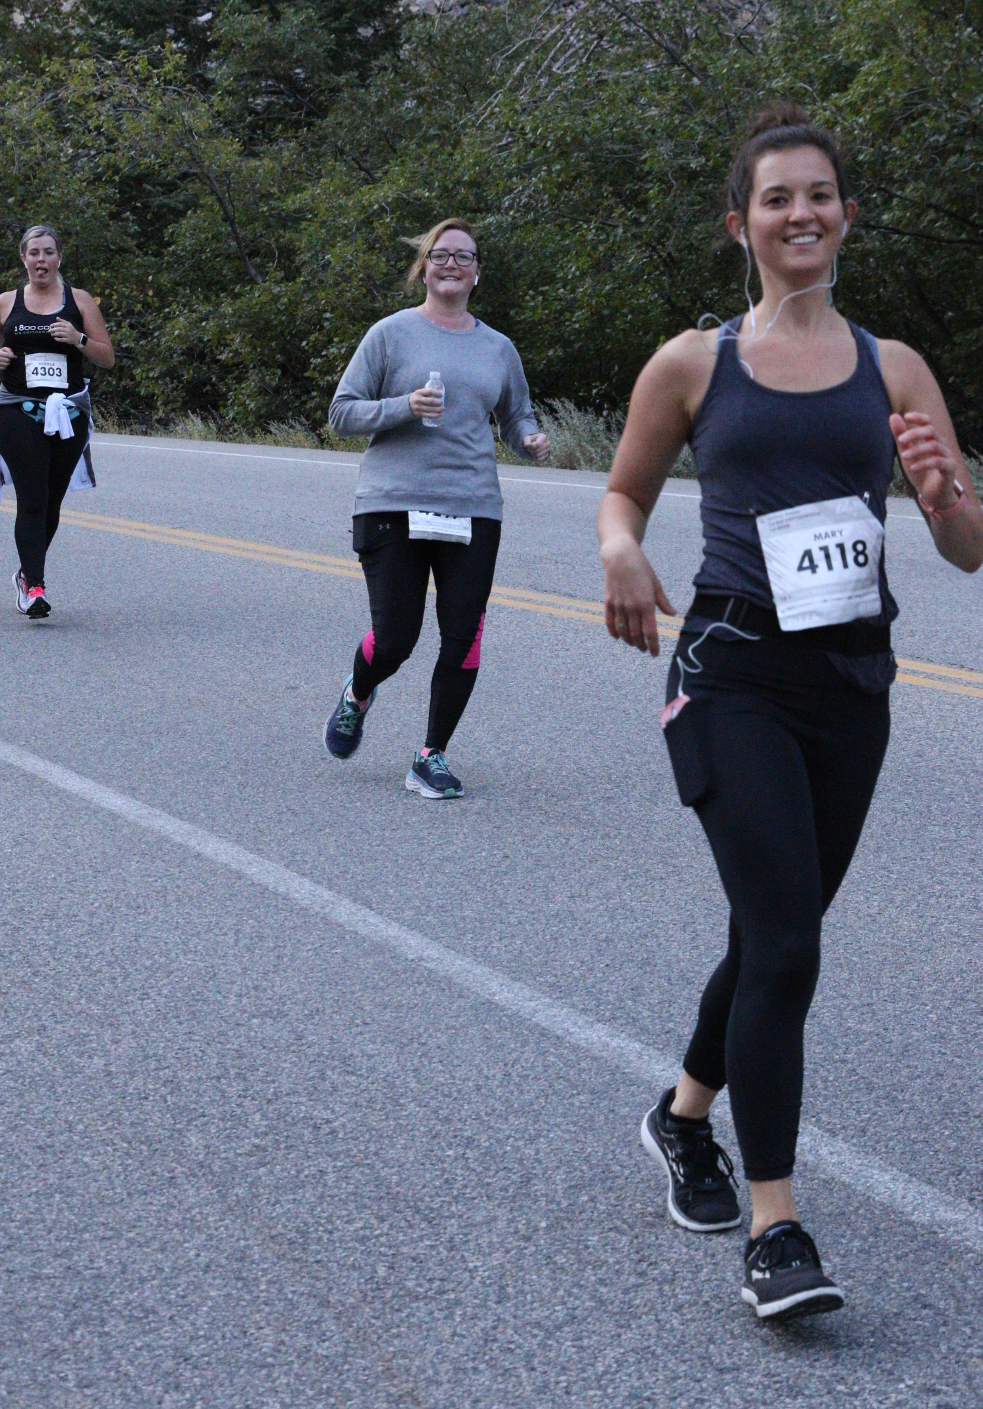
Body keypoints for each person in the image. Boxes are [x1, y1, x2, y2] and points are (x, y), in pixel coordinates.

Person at [597, 104, 983, 1321]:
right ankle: (774, 1227)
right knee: (786, 944)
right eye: (776, 198)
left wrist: (941, 497)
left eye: (818, 195)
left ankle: (681, 1116)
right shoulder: (691, 363)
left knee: (777, 930)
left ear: (844, 216)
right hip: (731, 674)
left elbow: (966, 547)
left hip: (850, 686)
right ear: (740, 225)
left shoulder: (893, 367)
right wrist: (618, 551)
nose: (799, 214)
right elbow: (621, 495)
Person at [324, 218, 550, 798]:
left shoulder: (498, 348)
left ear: (477, 274)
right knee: (395, 640)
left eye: (463, 257)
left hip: (472, 506)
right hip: (392, 503)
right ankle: (357, 693)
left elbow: (516, 413)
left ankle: (431, 755)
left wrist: (527, 437)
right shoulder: (390, 334)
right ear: (423, 268)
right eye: (440, 255)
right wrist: (403, 405)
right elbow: (342, 412)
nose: (452, 265)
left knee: (464, 636)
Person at [0, 224, 114, 619]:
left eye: (48, 252)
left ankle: (25, 572)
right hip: (18, 408)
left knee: (51, 501)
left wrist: (79, 339)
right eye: (34, 253)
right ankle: (35, 587)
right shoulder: (7, 301)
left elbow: (107, 357)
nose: (41, 260)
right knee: (32, 498)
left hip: (68, 412)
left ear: (59, 258)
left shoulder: (79, 301)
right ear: (23, 258)